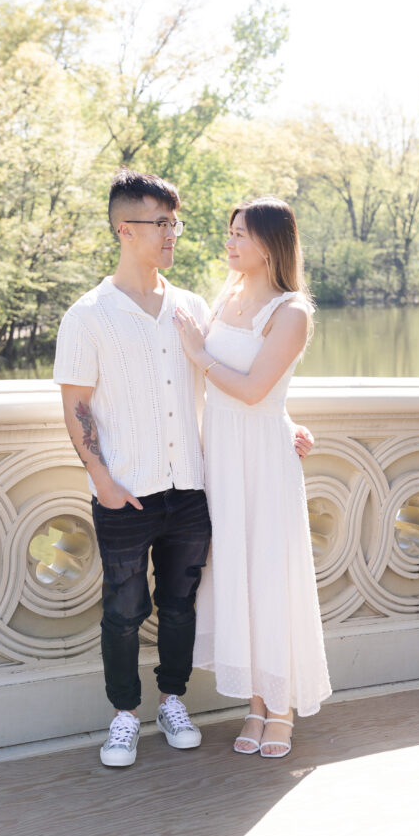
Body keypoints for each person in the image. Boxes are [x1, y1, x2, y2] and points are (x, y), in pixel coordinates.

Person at [54, 171, 314, 768]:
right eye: (160, 223)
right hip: (126, 489)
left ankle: (173, 702)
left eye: (176, 222)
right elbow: (76, 405)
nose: (173, 233)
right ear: (126, 229)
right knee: (122, 611)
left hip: (195, 488)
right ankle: (124, 716)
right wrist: (102, 481)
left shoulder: (194, 307)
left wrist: (285, 423)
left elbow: (241, 378)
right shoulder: (87, 315)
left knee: (180, 607)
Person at [173, 195, 331, 758]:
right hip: (223, 454)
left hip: (263, 457)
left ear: (271, 244)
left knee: (269, 572)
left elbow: (255, 389)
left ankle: (280, 706)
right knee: (235, 569)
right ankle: (254, 703)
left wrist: (198, 352)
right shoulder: (227, 295)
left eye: (241, 233)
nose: (230, 241)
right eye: (229, 230)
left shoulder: (292, 311)